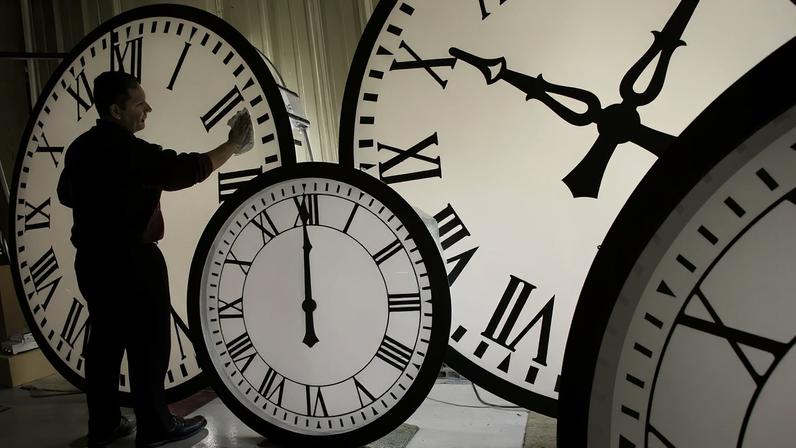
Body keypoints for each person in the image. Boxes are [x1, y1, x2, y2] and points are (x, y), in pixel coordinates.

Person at [57, 70, 252, 447]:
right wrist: (232, 144)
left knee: (105, 342)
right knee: (149, 344)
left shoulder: (80, 148)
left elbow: (67, 194)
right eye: (138, 102)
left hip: (93, 261)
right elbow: (185, 170)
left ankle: (105, 423)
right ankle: (156, 425)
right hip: (134, 262)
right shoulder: (128, 150)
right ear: (115, 110)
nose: (148, 107)